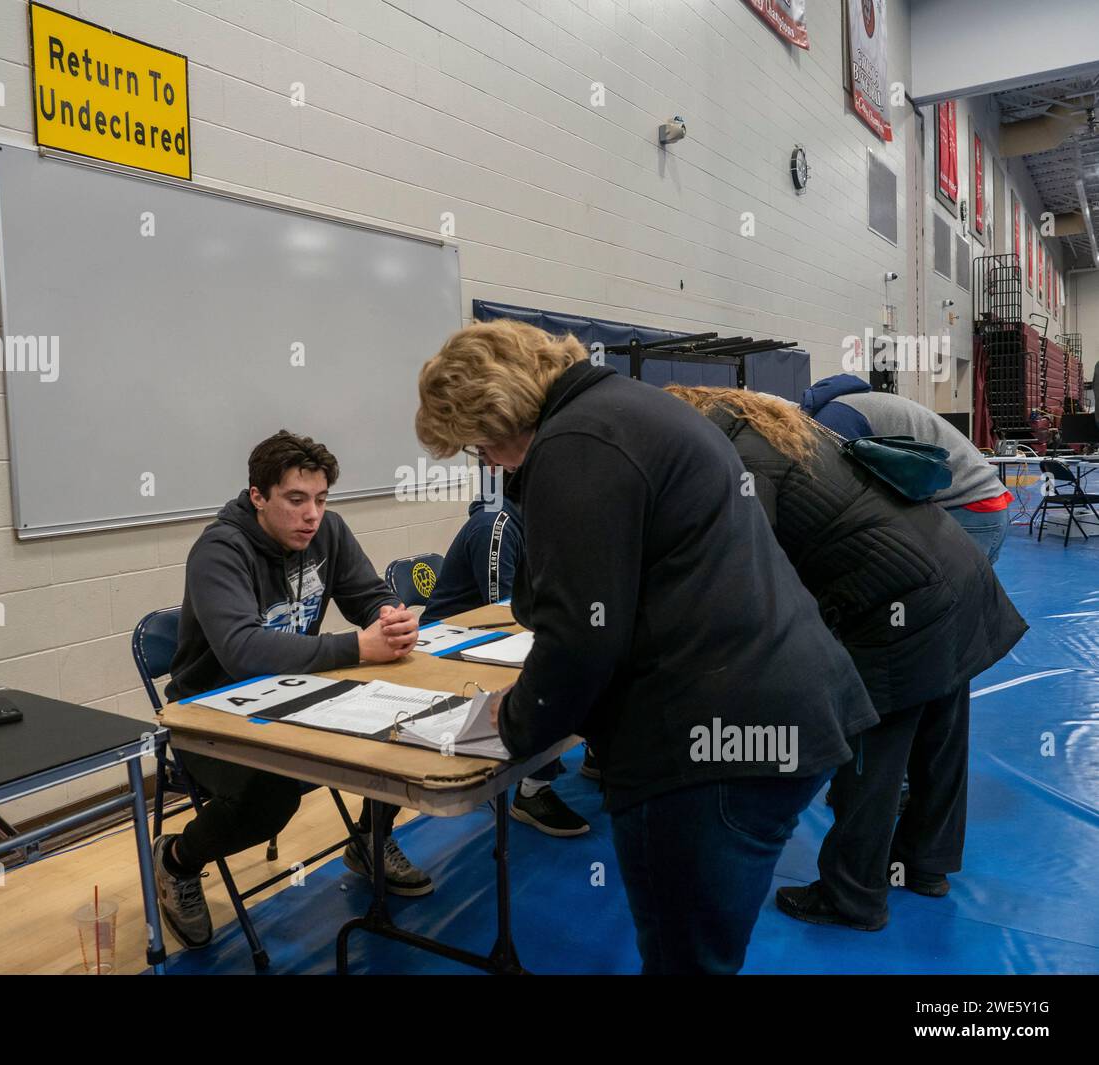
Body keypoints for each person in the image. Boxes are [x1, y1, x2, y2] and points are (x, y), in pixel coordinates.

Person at [415, 320, 879, 974]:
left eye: (477, 443)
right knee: (702, 955)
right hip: (783, 709)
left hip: (709, 744)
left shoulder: (576, 441)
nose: (487, 461)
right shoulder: (630, 408)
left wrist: (513, 718)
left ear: (493, 412)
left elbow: (581, 635)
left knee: (683, 961)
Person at [666, 386, 1026, 931]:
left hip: (901, 603)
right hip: (956, 571)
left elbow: (752, 569)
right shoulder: (784, 433)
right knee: (940, 736)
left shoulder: (741, 459)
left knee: (869, 754)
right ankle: (924, 867)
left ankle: (852, 895)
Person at [156, 431, 432, 950]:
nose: (312, 515)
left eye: (321, 500)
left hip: (296, 693)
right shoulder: (219, 550)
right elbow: (241, 650)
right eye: (296, 500)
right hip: (211, 715)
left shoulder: (327, 532)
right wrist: (356, 647)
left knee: (405, 728)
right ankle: (177, 860)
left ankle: (370, 837)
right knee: (271, 796)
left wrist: (389, 616)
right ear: (258, 496)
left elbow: (368, 592)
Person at [422, 476, 589, 837]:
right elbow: (501, 611)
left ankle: (561, 768)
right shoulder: (493, 526)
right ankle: (531, 791)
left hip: (487, 643)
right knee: (549, 672)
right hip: (446, 651)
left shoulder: (538, 522)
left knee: (569, 658)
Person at [801, 375, 1014, 563]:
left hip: (968, 508)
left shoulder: (828, 421)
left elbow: (840, 494)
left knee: (938, 597)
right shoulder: (850, 404)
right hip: (986, 502)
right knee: (967, 599)